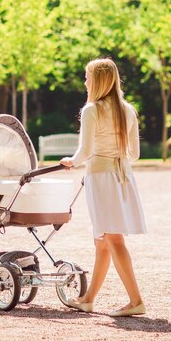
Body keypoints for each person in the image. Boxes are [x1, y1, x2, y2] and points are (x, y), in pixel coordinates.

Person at [60, 58, 147, 316]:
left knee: (112, 238)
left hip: (101, 178)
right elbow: (134, 154)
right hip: (122, 177)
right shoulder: (127, 109)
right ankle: (88, 299)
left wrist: (71, 162)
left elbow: (85, 151)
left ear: (96, 80)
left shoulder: (92, 110)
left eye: (87, 77)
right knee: (102, 241)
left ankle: (135, 301)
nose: (85, 81)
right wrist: (115, 159)